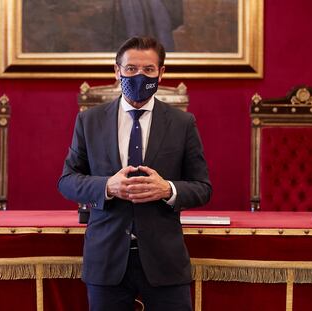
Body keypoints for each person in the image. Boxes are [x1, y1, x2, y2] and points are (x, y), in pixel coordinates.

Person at [58, 36, 212, 311]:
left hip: (165, 263)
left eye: (148, 70)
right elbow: (67, 181)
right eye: (131, 69)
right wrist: (108, 186)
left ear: (161, 73)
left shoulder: (182, 123)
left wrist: (168, 189)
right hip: (106, 260)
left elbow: (202, 187)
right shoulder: (89, 120)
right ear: (116, 71)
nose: (139, 76)